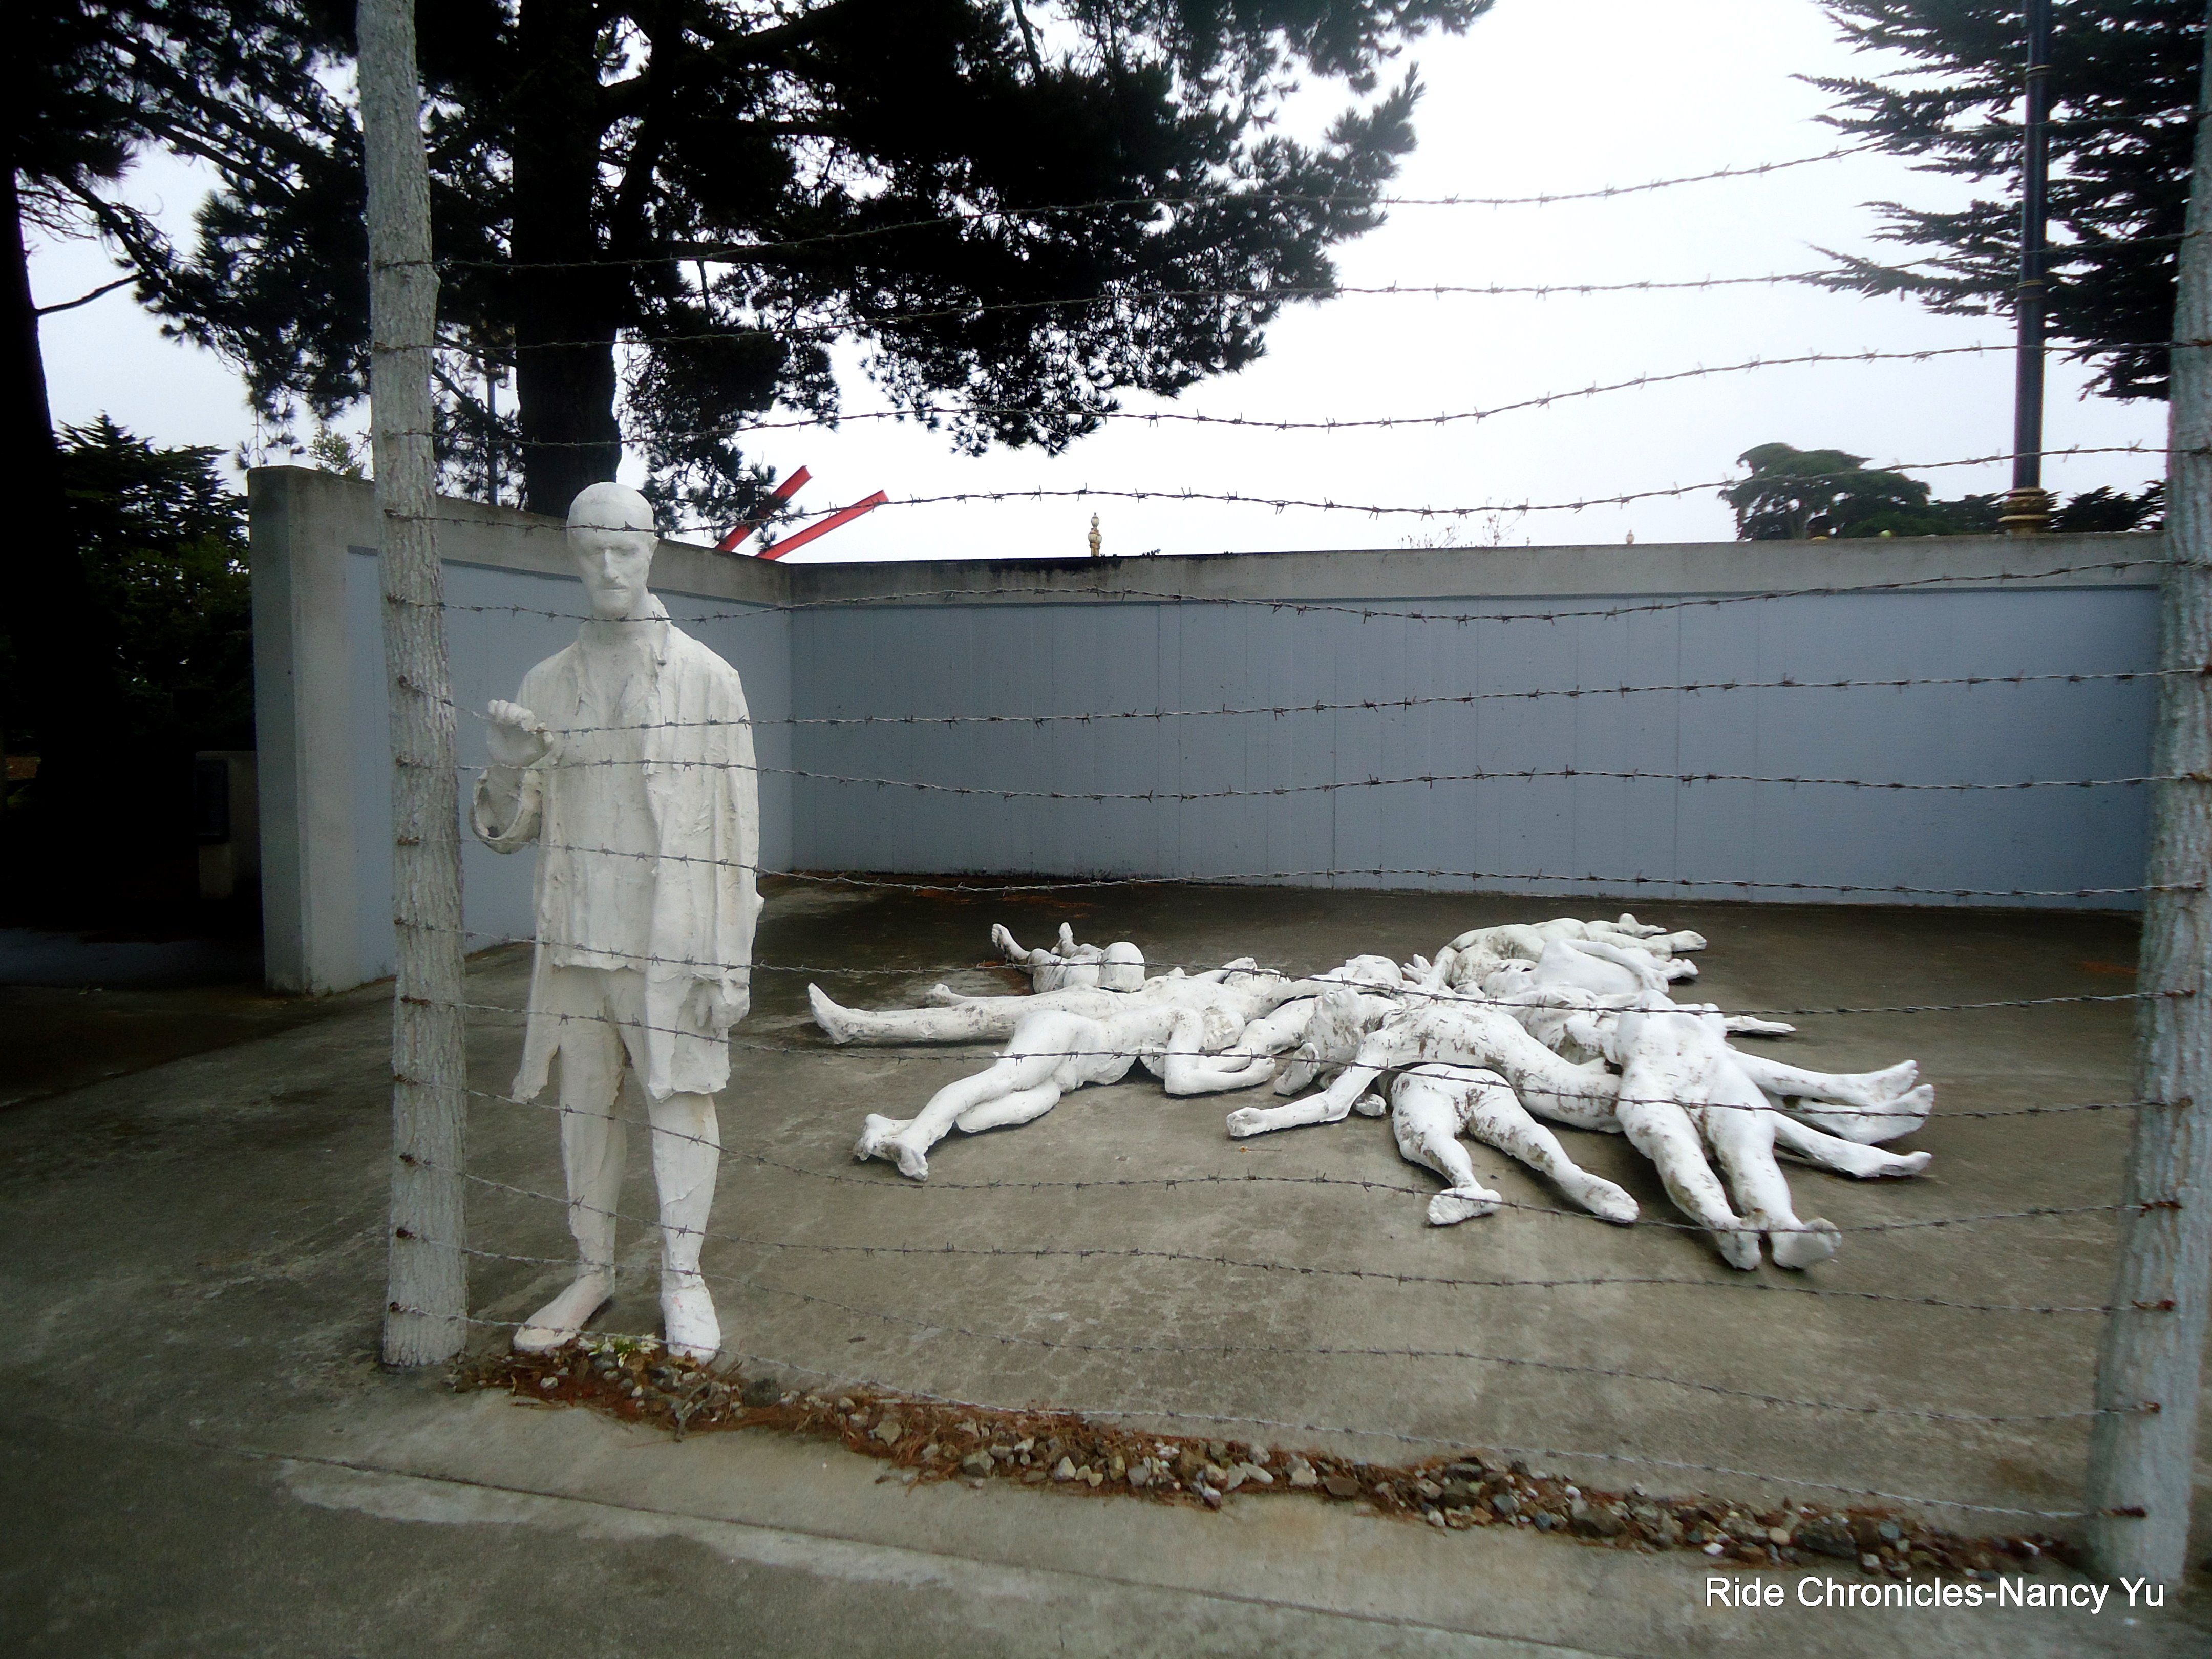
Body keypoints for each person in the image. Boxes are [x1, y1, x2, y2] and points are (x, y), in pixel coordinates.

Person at [472, 482, 760, 1359]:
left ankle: (684, 1276)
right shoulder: (545, 683)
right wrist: (507, 766)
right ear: (571, 553)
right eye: (591, 549)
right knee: (583, 1108)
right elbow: (508, 831)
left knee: (682, 1106)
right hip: (577, 942)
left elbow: (739, 833)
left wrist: (732, 964)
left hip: (672, 945)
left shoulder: (709, 679)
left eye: (624, 549)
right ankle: (592, 1268)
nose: (608, 566)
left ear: (652, 550)